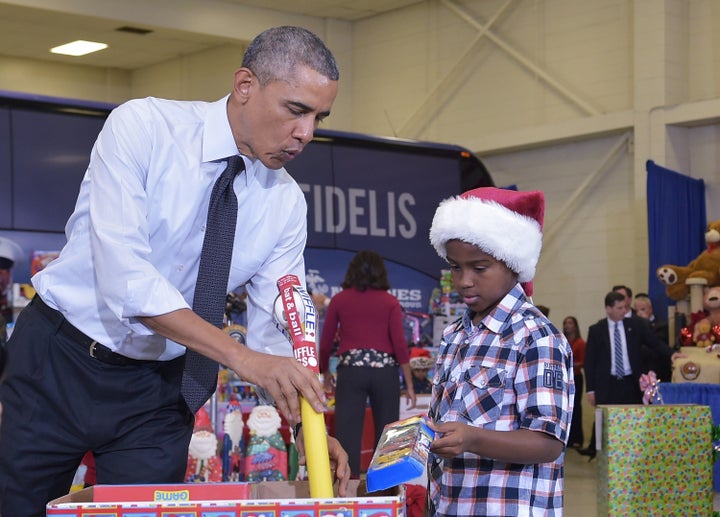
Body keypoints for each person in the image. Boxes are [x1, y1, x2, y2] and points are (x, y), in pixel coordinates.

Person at [0, 26, 350, 516]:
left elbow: (277, 331)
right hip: (59, 361)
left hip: (159, 390)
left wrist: (308, 429)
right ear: (245, 85)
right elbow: (127, 279)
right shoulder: (143, 127)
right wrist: (240, 357)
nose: (306, 133)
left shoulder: (286, 202)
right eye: (296, 110)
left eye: (319, 117)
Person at [426, 187, 574, 516]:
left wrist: (473, 439)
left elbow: (548, 443)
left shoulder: (537, 338)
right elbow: (443, 420)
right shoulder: (454, 335)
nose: (464, 281)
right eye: (455, 267)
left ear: (512, 263)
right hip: (449, 504)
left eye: (479, 268)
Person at [319, 250, 417, 475]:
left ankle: (347, 485)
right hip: (385, 373)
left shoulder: (340, 300)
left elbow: (325, 343)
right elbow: (400, 345)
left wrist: (325, 373)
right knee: (389, 431)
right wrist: (409, 385)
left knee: (347, 432)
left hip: (351, 371)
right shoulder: (390, 301)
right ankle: (386, 489)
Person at [579, 291, 682, 459]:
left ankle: (633, 458)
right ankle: (608, 459)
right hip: (608, 385)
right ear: (608, 309)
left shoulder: (636, 325)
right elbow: (590, 362)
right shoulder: (597, 330)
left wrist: (672, 354)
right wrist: (591, 390)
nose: (623, 311)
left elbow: (655, 343)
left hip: (631, 384)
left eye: (625, 307)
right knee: (606, 426)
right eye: (619, 308)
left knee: (633, 423)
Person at [634, 293, 672, 380]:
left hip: (658, 370)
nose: (639, 313)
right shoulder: (634, 327)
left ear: (650, 309)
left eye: (643, 309)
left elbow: (655, 345)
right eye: (637, 311)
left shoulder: (661, 325)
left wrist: (645, 323)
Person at [563, 316, 586, 449]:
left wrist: (569, 364)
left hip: (576, 377)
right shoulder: (562, 340)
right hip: (565, 378)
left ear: (575, 326)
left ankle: (578, 438)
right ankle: (567, 438)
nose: (567, 325)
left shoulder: (580, 343)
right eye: (565, 323)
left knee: (576, 407)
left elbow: (583, 362)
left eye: (570, 323)